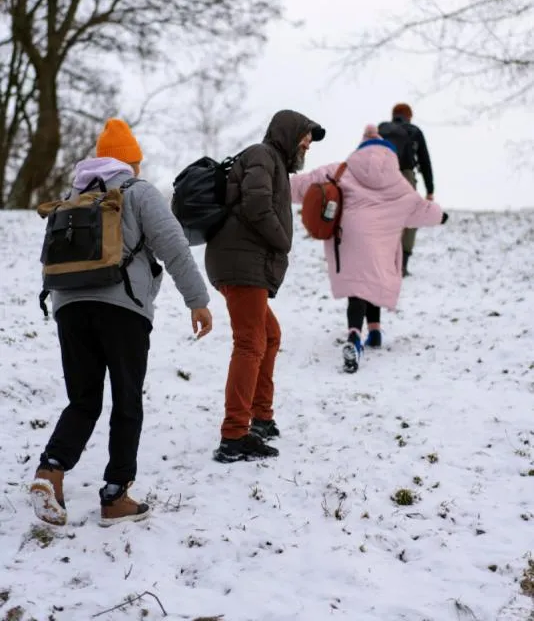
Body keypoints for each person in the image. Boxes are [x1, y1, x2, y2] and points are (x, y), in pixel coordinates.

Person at [30, 119, 212, 526]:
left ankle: (50, 471)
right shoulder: (138, 192)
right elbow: (174, 248)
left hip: (69, 308)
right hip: (123, 309)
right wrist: (197, 301)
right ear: (131, 162)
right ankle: (115, 496)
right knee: (126, 400)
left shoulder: (74, 194)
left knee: (83, 399)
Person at [205, 110, 325, 463]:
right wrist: (282, 239)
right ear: (289, 133)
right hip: (241, 263)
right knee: (250, 342)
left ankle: (260, 416)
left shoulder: (272, 161)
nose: (307, 144)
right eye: (306, 136)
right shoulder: (261, 155)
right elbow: (256, 205)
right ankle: (234, 435)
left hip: (244, 262)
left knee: (269, 335)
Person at [291, 125, 447, 373]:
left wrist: (278, 187)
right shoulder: (397, 180)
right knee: (373, 279)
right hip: (383, 241)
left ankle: (355, 336)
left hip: (351, 236)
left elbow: (307, 183)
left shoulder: (342, 170)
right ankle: (374, 332)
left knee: (358, 286)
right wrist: (441, 216)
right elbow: (419, 207)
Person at [378, 103, 435, 276]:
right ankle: (402, 264)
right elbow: (424, 161)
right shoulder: (414, 131)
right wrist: (430, 190)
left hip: (382, 176)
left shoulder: (382, 129)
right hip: (405, 176)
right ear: (409, 116)